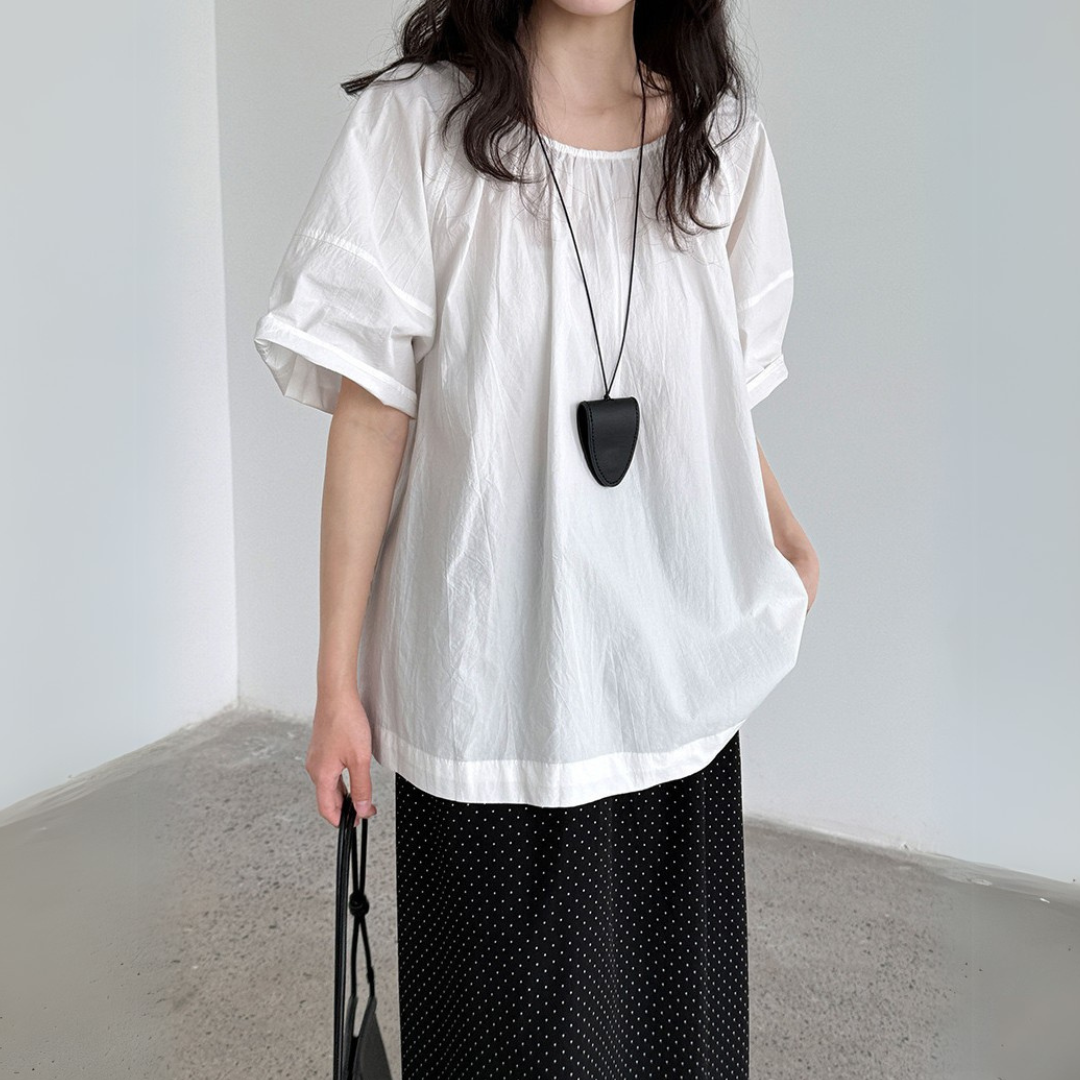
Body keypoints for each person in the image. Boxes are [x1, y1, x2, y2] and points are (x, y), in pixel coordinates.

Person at [254, 0, 819, 1075]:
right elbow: (372, 414)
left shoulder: (720, 141)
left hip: (670, 693)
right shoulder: (417, 125)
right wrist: (335, 685)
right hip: (492, 699)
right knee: (505, 1044)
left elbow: (716, 398)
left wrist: (791, 543)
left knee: (677, 1045)